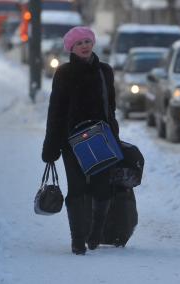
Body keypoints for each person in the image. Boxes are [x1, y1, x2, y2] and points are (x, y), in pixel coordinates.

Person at [41, 26, 120, 255]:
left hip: (101, 139)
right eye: (79, 43)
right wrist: (51, 146)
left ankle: (96, 233)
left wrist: (113, 132)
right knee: (76, 190)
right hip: (71, 142)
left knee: (102, 189)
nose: (85, 46)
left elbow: (111, 107)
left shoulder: (105, 71)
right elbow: (56, 110)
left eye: (87, 41)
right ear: (71, 48)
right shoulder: (64, 73)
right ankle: (77, 240)